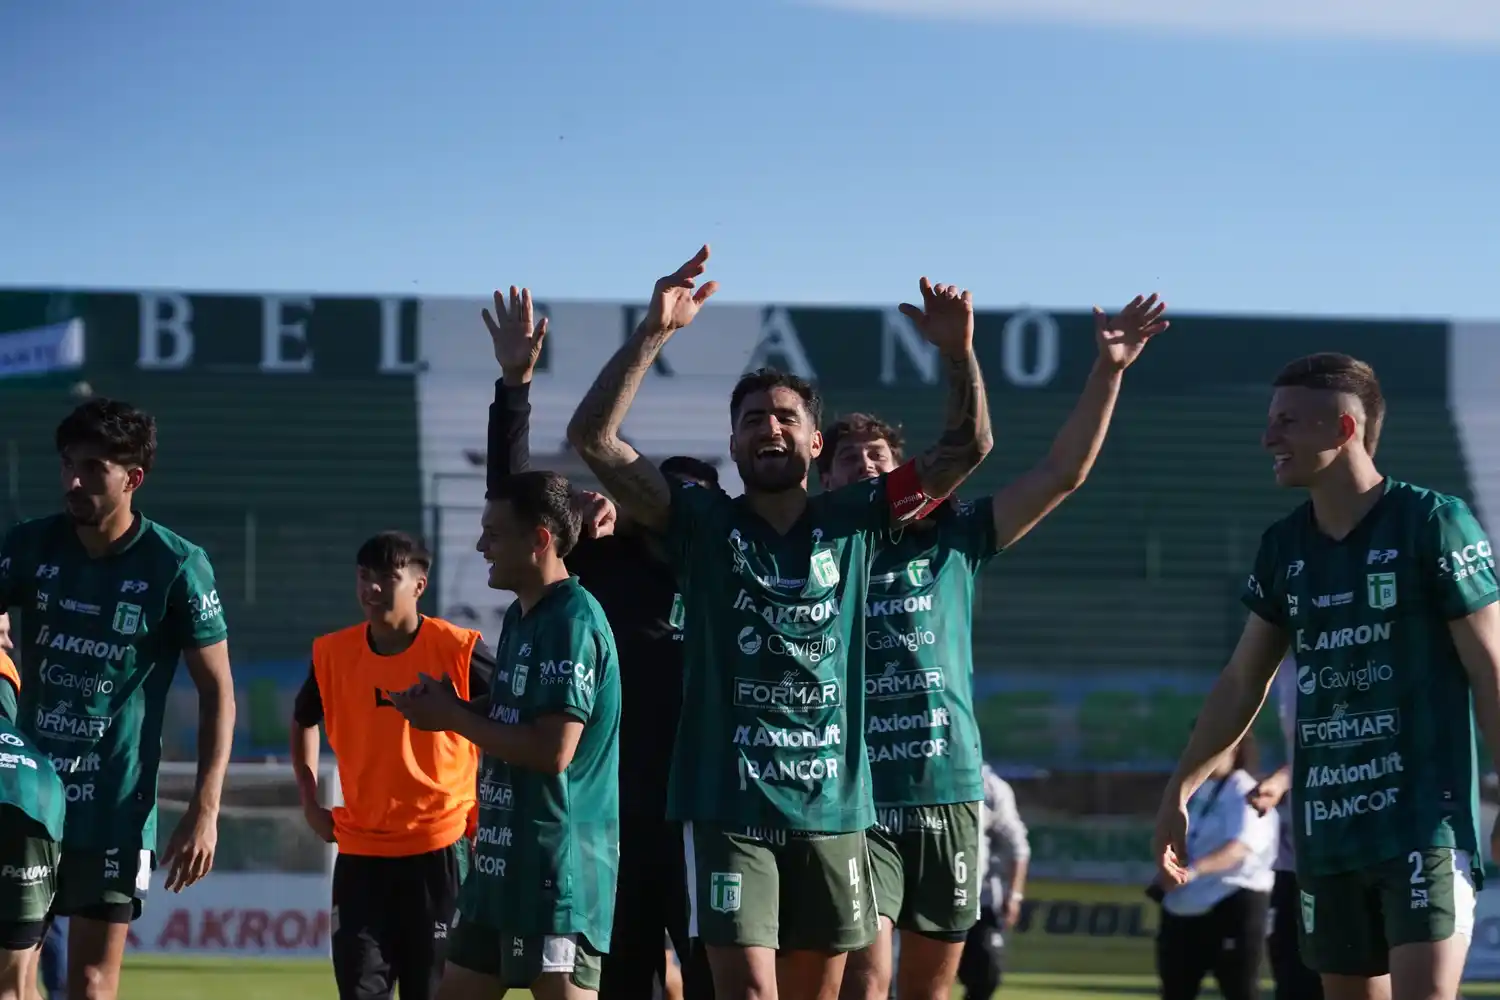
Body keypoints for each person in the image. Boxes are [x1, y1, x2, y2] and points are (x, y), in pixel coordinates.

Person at [567, 246, 994, 1000]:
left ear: (814, 443)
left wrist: (958, 353)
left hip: (834, 809)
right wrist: (651, 337)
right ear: (733, 445)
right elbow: (595, 441)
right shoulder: (699, 523)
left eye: (786, 417)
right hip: (728, 808)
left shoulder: (856, 519)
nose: (770, 427)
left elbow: (968, 449)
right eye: (753, 419)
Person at [821, 293, 1169, 1000]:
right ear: (821, 480)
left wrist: (1109, 370)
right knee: (862, 977)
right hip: (853, 796)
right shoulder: (811, 551)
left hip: (948, 795)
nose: (864, 466)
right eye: (847, 458)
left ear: (907, 473)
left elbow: (1061, 472)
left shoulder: (955, 537)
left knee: (926, 989)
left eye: (878, 456)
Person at [1152, 353, 1500, 1000]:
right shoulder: (1285, 547)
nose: (1267, 439)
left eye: (1286, 422)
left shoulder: (1434, 523)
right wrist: (1182, 786)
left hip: (1425, 824)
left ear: (1343, 430)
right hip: (1327, 833)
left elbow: (1493, 669)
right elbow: (1239, 683)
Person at [480, 287, 716, 1000]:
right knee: (624, 984)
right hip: (613, 817)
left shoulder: (737, 576)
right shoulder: (601, 566)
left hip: (703, 813)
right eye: (665, 499)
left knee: (717, 980)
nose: (678, 515)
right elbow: (517, 505)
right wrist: (515, 388)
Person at [0, 398, 235, 1000]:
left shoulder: (178, 566)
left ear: (133, 478)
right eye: (67, 465)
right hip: (29, 799)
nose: (73, 481)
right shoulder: (30, 546)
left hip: (114, 807)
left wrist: (204, 810)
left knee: (91, 982)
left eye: (93, 468)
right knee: (10, 976)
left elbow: (217, 692)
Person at [391, 470, 622, 1000]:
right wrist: (449, 706)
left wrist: (453, 717)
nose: (480, 546)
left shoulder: (572, 622)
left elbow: (552, 749)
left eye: (493, 534)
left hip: (554, 872)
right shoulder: (524, 617)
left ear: (539, 539)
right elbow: (519, 712)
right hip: (499, 867)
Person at [289, 531, 494, 1000]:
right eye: (364, 576)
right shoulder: (333, 654)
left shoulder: (457, 649)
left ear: (419, 585)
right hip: (361, 855)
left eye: (387, 577)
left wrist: (488, 808)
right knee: (359, 990)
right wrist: (309, 801)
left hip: (439, 851)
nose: (372, 588)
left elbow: (513, 716)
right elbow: (303, 720)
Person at [1154, 735, 1277, 1000]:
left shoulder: (1246, 790)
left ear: (1235, 749)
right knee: (1175, 990)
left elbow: (1240, 848)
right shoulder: (1194, 791)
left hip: (1231, 900)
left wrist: (1191, 872)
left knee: (1239, 990)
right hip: (1183, 905)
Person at [1247, 658, 1324, 1000]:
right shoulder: (1284, 666)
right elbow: (1307, 752)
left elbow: (1336, 742)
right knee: (1292, 978)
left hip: (1350, 858)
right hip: (1292, 867)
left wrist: (1282, 778)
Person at [0, 646, 65, 1000]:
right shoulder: (7, 671)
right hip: (41, 794)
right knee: (20, 983)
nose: (8, 643)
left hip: (19, 793)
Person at [957, 764, 1030, 1000]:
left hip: (979, 901)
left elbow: (1018, 847)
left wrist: (1015, 895)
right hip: (921, 900)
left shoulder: (990, 786)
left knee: (987, 976)